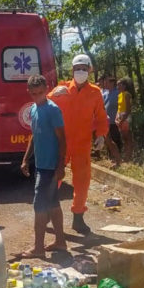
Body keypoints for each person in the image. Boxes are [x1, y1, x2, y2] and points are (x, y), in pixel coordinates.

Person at [48, 54, 109, 234]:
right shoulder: (62, 89)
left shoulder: (95, 92)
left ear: (89, 70)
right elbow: (44, 105)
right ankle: (46, 211)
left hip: (82, 143)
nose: (80, 71)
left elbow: (101, 117)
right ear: (72, 70)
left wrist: (101, 135)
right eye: (77, 69)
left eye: (83, 68)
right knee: (54, 178)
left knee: (82, 182)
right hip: (61, 142)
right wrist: (52, 95)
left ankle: (78, 218)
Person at [20, 75, 67, 258]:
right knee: (53, 204)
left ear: (46, 89)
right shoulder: (34, 109)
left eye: (40, 93)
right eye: (34, 94)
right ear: (29, 92)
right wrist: (26, 159)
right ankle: (60, 241)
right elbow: (34, 136)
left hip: (51, 167)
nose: (37, 96)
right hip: (40, 165)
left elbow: (62, 139)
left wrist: (61, 166)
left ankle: (38, 248)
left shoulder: (53, 110)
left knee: (39, 206)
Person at [100, 75, 123, 167]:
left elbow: (121, 106)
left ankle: (118, 159)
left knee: (115, 139)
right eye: (104, 82)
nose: (105, 83)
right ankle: (111, 157)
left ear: (113, 83)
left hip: (114, 121)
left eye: (107, 82)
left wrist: (120, 118)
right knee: (108, 140)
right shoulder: (104, 93)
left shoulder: (118, 93)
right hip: (106, 121)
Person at [115, 77, 136, 162]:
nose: (117, 86)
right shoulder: (119, 95)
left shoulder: (127, 94)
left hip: (125, 118)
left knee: (128, 138)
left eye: (119, 85)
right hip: (120, 117)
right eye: (117, 85)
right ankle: (126, 156)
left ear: (124, 86)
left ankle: (129, 157)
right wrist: (117, 117)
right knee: (124, 137)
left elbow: (128, 109)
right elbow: (119, 108)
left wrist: (122, 119)